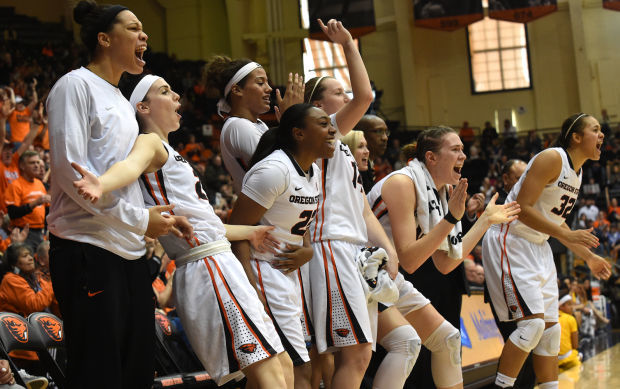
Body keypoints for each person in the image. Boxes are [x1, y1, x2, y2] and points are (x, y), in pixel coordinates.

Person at [71, 74, 289, 388]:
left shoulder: (171, 153)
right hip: (207, 267)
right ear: (143, 107)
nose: (176, 96)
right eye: (165, 91)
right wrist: (100, 183)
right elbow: (130, 167)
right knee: (268, 374)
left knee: (280, 366)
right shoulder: (149, 142)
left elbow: (206, 225)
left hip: (218, 260)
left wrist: (250, 233)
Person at [45, 2, 189, 388]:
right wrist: (143, 219)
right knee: (99, 374)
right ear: (104, 39)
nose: (144, 35)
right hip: (85, 248)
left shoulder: (122, 104)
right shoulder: (74, 86)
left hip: (128, 253)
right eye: (134, 28)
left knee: (137, 373)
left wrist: (150, 215)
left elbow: (119, 179)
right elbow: (72, 175)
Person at [307, 22, 423, 388]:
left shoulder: (338, 147)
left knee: (361, 355)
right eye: (336, 93)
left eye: (343, 92)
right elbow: (365, 97)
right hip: (331, 247)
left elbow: (361, 208)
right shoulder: (321, 136)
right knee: (354, 355)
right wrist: (347, 46)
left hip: (353, 251)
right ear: (316, 107)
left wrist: (388, 249)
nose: (345, 98)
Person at [367, 126, 520, 389]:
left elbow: (446, 263)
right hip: (359, 272)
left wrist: (484, 221)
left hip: (386, 276)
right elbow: (410, 260)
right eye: (455, 149)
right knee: (406, 344)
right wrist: (452, 218)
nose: (463, 155)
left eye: (463, 149)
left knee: (448, 339)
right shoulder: (402, 183)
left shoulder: (442, 192)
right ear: (431, 157)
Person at [482, 113, 611, 388]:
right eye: (595, 130)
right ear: (576, 137)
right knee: (532, 326)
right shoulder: (552, 158)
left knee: (551, 332)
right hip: (512, 238)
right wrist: (566, 233)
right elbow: (522, 210)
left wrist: (588, 256)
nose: (602, 135)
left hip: (538, 245)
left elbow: (555, 220)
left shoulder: (577, 174)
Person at [229, 103, 337, 389]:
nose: (333, 130)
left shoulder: (310, 171)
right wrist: (251, 290)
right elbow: (236, 232)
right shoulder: (274, 171)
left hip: (288, 275)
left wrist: (308, 249)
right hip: (262, 271)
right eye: (324, 124)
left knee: (282, 370)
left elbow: (299, 226)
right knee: (296, 368)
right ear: (299, 134)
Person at [207, 56, 304, 194]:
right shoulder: (239, 126)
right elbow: (279, 172)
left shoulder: (258, 125)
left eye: (267, 83)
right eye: (260, 83)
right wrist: (292, 120)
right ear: (237, 90)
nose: (269, 88)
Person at [4, 151, 49, 252]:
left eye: (38, 162)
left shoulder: (39, 184)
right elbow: (13, 213)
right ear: (22, 166)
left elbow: (46, 209)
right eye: (32, 163)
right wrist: (35, 203)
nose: (37, 165)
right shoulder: (15, 185)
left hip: (40, 231)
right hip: (23, 232)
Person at [348, 115, 389, 192]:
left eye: (386, 132)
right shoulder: (353, 173)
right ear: (360, 133)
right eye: (378, 131)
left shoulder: (368, 165)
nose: (385, 138)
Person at [557, 295, 580, 370]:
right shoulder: (570, 319)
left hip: (551, 361)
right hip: (568, 359)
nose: (572, 307)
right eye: (569, 304)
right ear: (561, 306)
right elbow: (575, 345)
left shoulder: (550, 318)